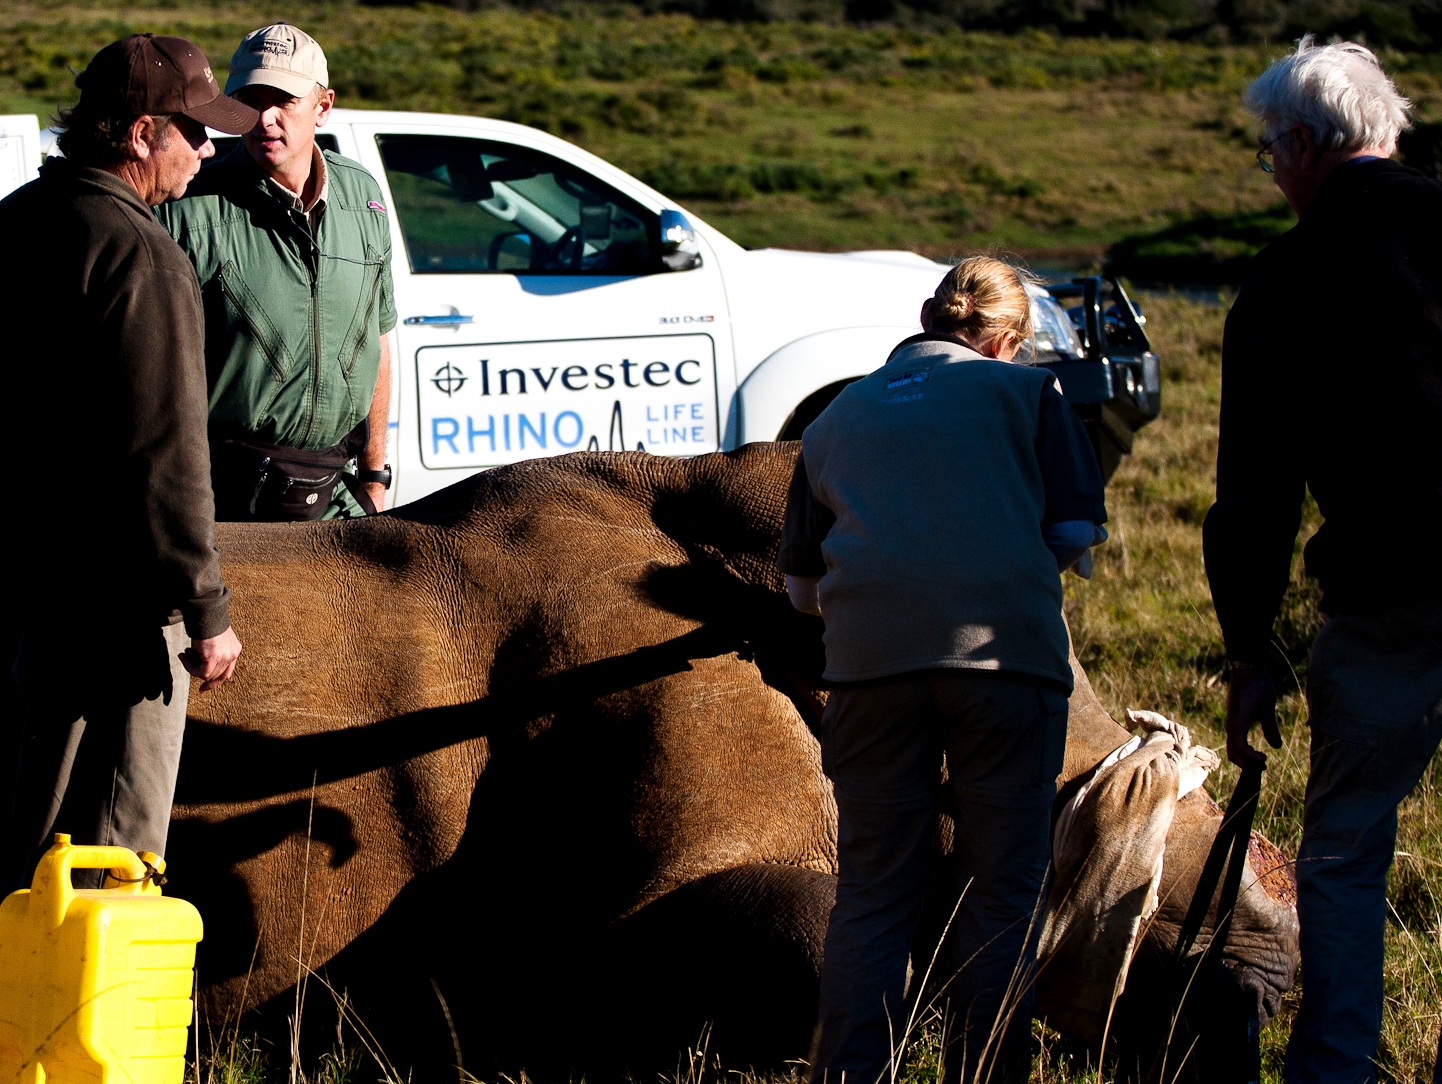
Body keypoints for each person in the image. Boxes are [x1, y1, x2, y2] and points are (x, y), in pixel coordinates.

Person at [780, 257, 1108, 1084]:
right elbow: (1073, 535)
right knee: (1003, 893)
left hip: (866, 674)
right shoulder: (1033, 396)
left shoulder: (833, 419)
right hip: (1004, 665)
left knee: (872, 894)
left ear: (930, 322)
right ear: (1006, 340)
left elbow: (800, 586)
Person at [1201, 37, 1442, 1084]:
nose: (1272, 175)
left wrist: (1248, 644)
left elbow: (1253, 490)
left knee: (1344, 850)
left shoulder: (1286, 278)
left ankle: (1333, 1066)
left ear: (1300, 145)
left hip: (1386, 590)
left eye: (1267, 155)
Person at [0, 35, 251, 892]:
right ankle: (77, 1029)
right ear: (143, 134)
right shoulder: (143, 256)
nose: (211, 146)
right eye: (195, 130)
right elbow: (165, 456)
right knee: (109, 854)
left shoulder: (17, 221)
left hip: (24, 593)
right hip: (113, 611)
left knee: (26, 833)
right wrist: (206, 608)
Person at [157, 23, 396, 522]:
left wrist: (374, 477)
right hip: (223, 505)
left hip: (334, 499)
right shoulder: (187, 209)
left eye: (283, 100)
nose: (263, 118)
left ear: (323, 106)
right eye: (249, 100)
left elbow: (379, 339)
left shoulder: (364, 200)